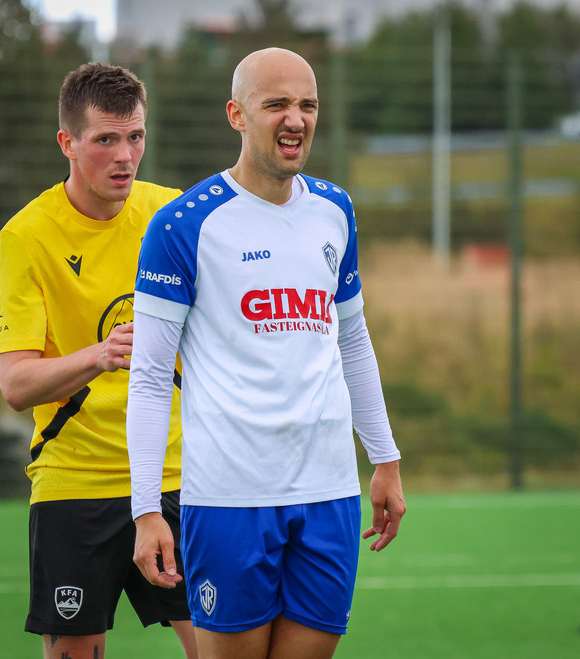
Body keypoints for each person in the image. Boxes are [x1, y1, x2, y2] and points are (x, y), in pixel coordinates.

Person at [127, 48, 406, 659]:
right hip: (229, 500)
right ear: (236, 115)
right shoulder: (182, 226)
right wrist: (146, 509)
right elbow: (148, 378)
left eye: (308, 105)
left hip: (330, 493)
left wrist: (384, 458)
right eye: (276, 104)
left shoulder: (335, 209)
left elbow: (353, 341)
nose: (296, 120)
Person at [0, 62, 197, 659]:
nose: (124, 156)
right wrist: (101, 355)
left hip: (177, 475)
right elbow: (16, 384)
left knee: (223, 649)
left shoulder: (173, 216)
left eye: (135, 136)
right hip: (75, 481)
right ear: (68, 142)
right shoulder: (26, 237)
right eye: (105, 139)